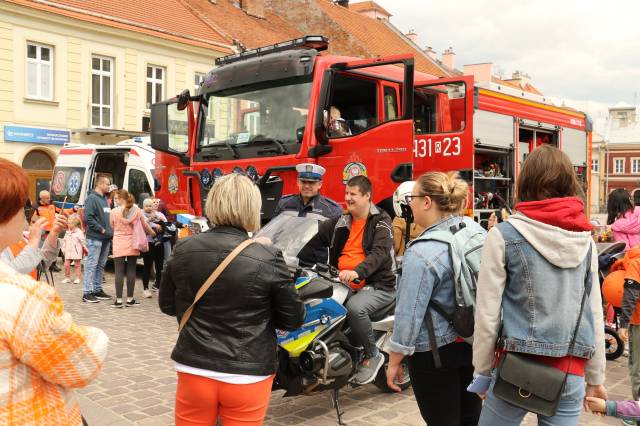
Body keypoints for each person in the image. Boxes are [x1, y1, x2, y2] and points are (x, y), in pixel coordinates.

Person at [473, 145, 607, 424]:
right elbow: (594, 314)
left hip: (516, 371)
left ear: (526, 182)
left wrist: (482, 373)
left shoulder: (504, 235)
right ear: (569, 182)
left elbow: (487, 315)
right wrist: (596, 377)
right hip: (570, 372)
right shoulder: (585, 241)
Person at [159, 173, 305, 425]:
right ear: (252, 207)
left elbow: (167, 305)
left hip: (195, 368)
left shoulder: (184, 248)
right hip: (246, 374)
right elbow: (293, 320)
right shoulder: (268, 256)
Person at [0, 157, 108, 424]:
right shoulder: (18, 297)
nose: (27, 216)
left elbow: (41, 261)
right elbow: (82, 363)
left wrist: (48, 237)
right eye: (22, 209)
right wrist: (93, 335)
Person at [385, 173, 484, 425]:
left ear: (427, 202)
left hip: (434, 353)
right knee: (471, 418)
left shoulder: (421, 251)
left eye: (412, 199)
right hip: (474, 343)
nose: (410, 205)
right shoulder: (475, 231)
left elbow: (409, 313)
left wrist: (394, 360)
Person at [300, 175, 395, 385]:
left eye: (353, 194)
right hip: (342, 282)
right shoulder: (341, 222)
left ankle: (373, 354)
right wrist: (281, 250)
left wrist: (357, 272)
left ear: (367, 196)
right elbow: (310, 239)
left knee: (355, 309)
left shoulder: (381, 221)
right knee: (315, 302)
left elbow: (379, 253)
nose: (348, 198)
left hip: (376, 285)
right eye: (346, 193)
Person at [110, 190, 155, 308]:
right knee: (131, 270)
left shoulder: (114, 212)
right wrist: (152, 232)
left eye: (116, 198)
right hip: (133, 242)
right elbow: (145, 225)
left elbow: (112, 226)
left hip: (119, 242)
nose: (115, 200)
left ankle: (119, 301)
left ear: (121, 199)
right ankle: (130, 299)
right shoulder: (137, 211)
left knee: (119, 272)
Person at [1, 199, 65, 276]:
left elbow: (42, 262)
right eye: (21, 215)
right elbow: (7, 276)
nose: (25, 222)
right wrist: (33, 242)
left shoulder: (21, 240)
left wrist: (54, 233)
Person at [82, 175, 114, 303]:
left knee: (100, 265)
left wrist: (110, 232)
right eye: (107, 184)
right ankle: (87, 292)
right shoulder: (92, 198)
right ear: (100, 184)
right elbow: (88, 218)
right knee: (92, 265)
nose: (109, 186)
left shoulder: (104, 199)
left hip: (106, 238)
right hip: (95, 238)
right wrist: (102, 230)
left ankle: (97, 289)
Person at [273, 163, 343, 220]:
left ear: (319, 184)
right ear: (298, 182)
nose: (306, 186)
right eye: (303, 182)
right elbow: (274, 229)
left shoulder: (332, 209)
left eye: (311, 182)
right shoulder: (284, 203)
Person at [142, 198, 165, 297]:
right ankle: (145, 288)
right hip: (148, 243)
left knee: (160, 266)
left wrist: (160, 220)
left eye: (150, 205)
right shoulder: (141, 214)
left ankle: (158, 286)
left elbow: (165, 222)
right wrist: (152, 221)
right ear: (143, 206)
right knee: (147, 265)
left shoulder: (158, 214)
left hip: (159, 243)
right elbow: (142, 224)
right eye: (147, 206)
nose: (149, 208)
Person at [61, 215, 87, 284]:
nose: (68, 224)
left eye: (69, 223)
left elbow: (83, 242)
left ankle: (78, 278)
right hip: (68, 251)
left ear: (74, 224)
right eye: (68, 223)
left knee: (77, 265)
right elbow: (64, 240)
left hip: (76, 251)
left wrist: (85, 249)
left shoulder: (79, 232)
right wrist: (63, 248)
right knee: (66, 264)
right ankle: (67, 277)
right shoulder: (67, 232)